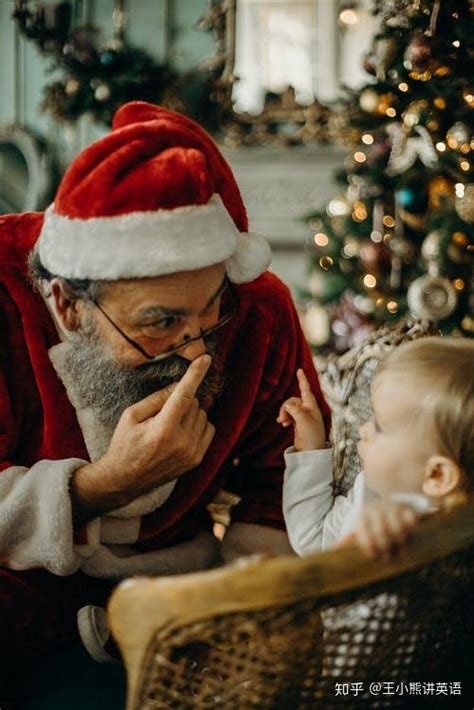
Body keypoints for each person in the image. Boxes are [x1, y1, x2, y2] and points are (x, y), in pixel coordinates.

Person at [0, 101, 330, 688]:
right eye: (160, 322)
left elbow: (279, 485)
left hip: (180, 597)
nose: (196, 352)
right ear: (70, 304)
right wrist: (105, 485)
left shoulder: (256, 308)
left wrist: (236, 628)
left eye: (211, 313)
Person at [280, 337, 474, 557]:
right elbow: (315, 539)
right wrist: (310, 449)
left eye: (380, 427)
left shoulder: (451, 548)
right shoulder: (371, 487)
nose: (364, 429)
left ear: (436, 475)